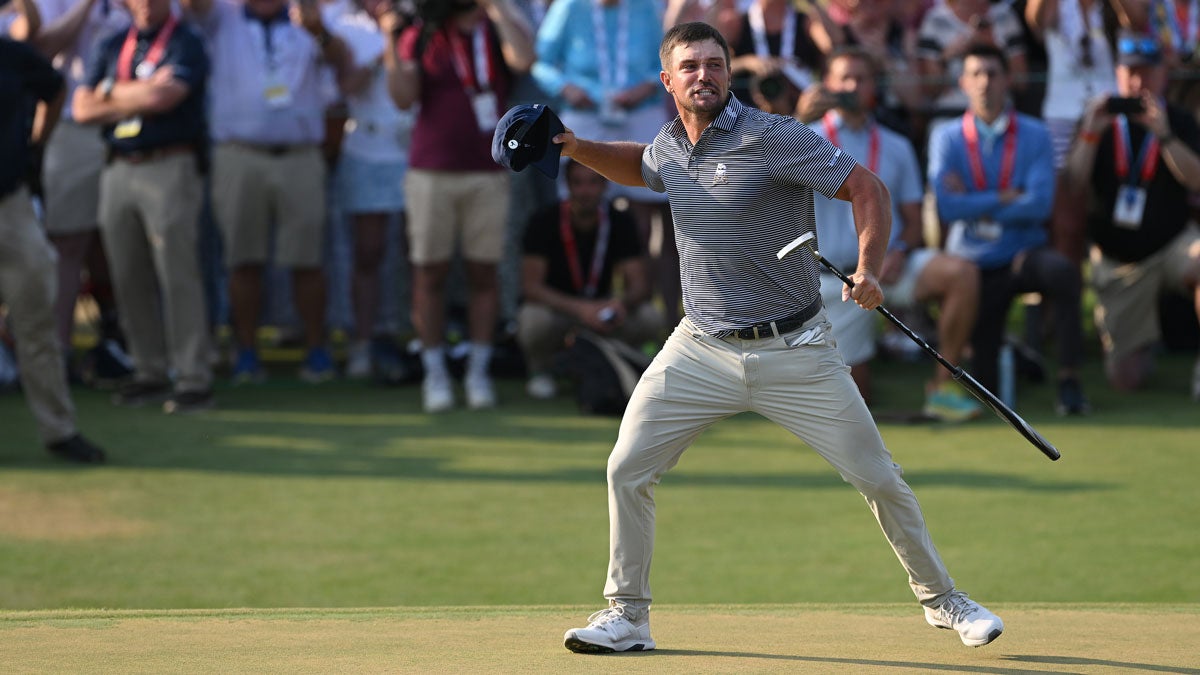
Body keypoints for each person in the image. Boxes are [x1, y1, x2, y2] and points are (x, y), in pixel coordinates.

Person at [554, 21, 1003, 654]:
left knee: (878, 478)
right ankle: (627, 615)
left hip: (797, 350)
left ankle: (944, 600)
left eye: (714, 64)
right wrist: (572, 145)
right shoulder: (670, 145)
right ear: (668, 81)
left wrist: (870, 269)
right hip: (700, 348)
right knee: (626, 467)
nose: (703, 75)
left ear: (729, 73)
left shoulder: (771, 138)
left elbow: (865, 188)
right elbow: (641, 167)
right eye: (690, 67)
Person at [800, 46, 982, 420]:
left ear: (874, 87)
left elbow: (914, 222)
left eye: (861, 78)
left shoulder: (896, 144)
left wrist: (896, 251)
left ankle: (943, 388)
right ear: (829, 86)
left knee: (961, 273)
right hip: (833, 280)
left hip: (888, 267)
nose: (852, 85)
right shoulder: (802, 139)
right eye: (844, 78)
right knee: (855, 402)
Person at [182, 0, 353, 385]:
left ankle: (317, 350)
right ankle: (246, 352)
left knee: (308, 259)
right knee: (243, 260)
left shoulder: (308, 16)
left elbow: (342, 63)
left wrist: (318, 31)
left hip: (301, 153)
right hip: (239, 153)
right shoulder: (221, 15)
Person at [386, 0, 534, 412]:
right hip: (431, 171)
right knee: (429, 272)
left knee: (483, 273)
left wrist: (496, 7)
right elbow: (402, 97)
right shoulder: (424, 33)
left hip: (488, 172)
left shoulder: (493, 27)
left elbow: (523, 59)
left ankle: (478, 371)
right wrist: (389, 37)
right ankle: (434, 372)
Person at [928, 43, 1089, 415]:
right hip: (973, 265)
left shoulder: (1035, 134)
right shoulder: (947, 137)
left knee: (1063, 272)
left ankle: (1069, 381)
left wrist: (975, 200)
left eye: (993, 73)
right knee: (989, 387)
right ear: (962, 82)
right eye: (976, 74)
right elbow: (948, 206)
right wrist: (1004, 196)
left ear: (1008, 80)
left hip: (1022, 254)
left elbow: (1039, 204)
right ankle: (1020, 358)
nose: (985, 82)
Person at [72, 0, 214, 413]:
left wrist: (110, 93)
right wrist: (130, 92)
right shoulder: (113, 42)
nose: (147, 4)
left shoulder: (186, 41)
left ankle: (192, 377)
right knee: (127, 272)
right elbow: (82, 108)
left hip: (169, 163)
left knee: (177, 271)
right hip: (119, 166)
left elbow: (166, 97)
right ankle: (148, 371)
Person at [1062, 31, 1200, 399]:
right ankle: (1143, 341)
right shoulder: (1097, 120)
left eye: (1146, 73)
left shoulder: (1179, 120)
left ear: (1162, 76)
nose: (1138, 82)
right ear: (1118, 75)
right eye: (1130, 73)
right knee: (1126, 379)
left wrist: (1165, 136)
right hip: (1117, 260)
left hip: (1172, 245)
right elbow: (1074, 185)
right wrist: (1091, 133)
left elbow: (1197, 180)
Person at [533, 0, 680, 332]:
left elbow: (667, 59)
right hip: (585, 116)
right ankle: (574, 323)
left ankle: (662, 322)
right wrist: (565, 87)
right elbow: (541, 63)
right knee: (577, 211)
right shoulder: (569, 6)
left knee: (650, 224)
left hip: (640, 113)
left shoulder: (646, 7)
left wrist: (647, 84)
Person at [1, 34, 105, 462]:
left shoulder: (9, 53)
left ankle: (59, 430)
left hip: (10, 202)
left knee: (36, 321)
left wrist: (33, 146)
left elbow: (55, 88)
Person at [517, 159, 661, 399]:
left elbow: (640, 285)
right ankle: (541, 370)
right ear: (567, 185)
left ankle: (624, 361)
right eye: (578, 183)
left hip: (603, 309)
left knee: (649, 316)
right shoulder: (544, 219)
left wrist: (620, 304)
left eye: (593, 183)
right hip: (559, 310)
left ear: (605, 186)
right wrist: (581, 309)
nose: (585, 191)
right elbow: (531, 287)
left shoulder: (620, 220)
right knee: (533, 319)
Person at [327, 0, 416, 379]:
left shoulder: (419, 19)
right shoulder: (339, 22)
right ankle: (362, 343)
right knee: (368, 251)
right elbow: (347, 86)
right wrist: (387, 43)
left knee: (419, 255)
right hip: (366, 147)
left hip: (414, 148)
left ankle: (415, 342)